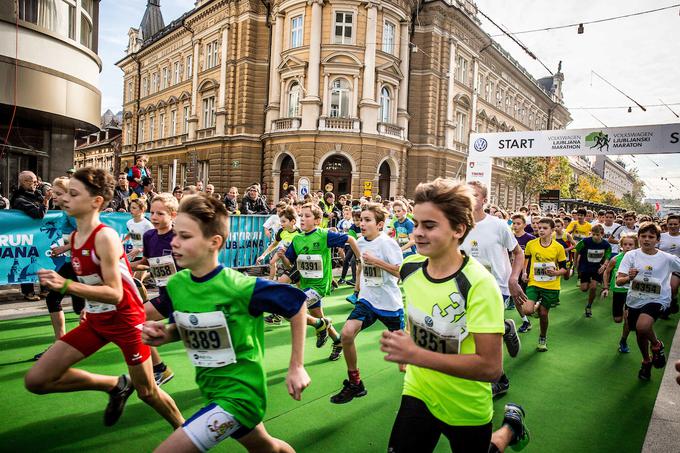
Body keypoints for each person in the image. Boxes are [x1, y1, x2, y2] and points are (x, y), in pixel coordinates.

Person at [141, 194, 309, 452]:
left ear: (214, 242)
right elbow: (185, 327)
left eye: (185, 237)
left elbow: (297, 305)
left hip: (240, 396)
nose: (174, 242)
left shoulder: (239, 287)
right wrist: (163, 335)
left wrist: (296, 366)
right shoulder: (177, 285)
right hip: (211, 389)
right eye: (176, 234)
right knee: (267, 448)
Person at [26, 167, 183, 429]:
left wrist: (67, 285)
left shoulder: (106, 237)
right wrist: (88, 304)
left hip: (126, 321)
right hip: (97, 320)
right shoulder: (76, 236)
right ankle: (115, 385)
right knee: (37, 380)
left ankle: (187, 435)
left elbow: (115, 293)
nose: (63, 199)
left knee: (147, 393)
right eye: (62, 194)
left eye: (73, 194)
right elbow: (94, 282)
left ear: (96, 201)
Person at [379, 178, 529, 453]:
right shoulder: (410, 268)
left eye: (430, 225)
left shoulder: (479, 284)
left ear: (459, 229)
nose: (418, 234)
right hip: (418, 390)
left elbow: (491, 368)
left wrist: (414, 354)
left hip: (465, 404)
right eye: (416, 224)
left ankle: (509, 428)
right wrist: (409, 340)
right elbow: (420, 318)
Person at [331, 203, 404, 404]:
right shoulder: (360, 243)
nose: (362, 223)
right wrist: (357, 291)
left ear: (380, 224)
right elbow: (361, 268)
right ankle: (355, 383)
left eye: (367, 220)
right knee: (346, 334)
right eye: (360, 219)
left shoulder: (387, 244)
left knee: (403, 362)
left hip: (390, 304)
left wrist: (376, 261)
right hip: (368, 301)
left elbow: (400, 272)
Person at [460, 181, 524, 398]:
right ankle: (505, 327)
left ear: (484, 200)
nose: (470, 198)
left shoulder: (498, 225)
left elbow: (518, 253)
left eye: (475, 195)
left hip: (497, 286)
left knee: (486, 336)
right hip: (466, 287)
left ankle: (500, 380)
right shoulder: (457, 225)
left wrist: (514, 278)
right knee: (469, 331)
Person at [284, 203, 362, 361]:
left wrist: (359, 259)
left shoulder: (324, 235)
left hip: (319, 286)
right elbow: (289, 264)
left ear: (318, 220)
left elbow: (351, 239)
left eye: (307, 216)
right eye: (301, 216)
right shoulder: (297, 239)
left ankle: (320, 324)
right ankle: (337, 339)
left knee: (290, 309)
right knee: (317, 315)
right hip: (306, 285)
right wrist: (282, 257)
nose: (302, 219)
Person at [616, 222, 680, 380]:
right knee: (640, 333)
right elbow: (618, 281)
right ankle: (646, 361)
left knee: (643, 326)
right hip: (635, 299)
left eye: (651, 237)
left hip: (658, 299)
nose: (647, 239)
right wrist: (628, 277)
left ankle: (657, 345)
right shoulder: (631, 255)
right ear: (638, 238)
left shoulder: (668, 258)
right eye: (643, 236)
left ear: (658, 240)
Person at [131, 193, 181, 386]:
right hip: (165, 296)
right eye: (152, 212)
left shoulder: (179, 236)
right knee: (136, 322)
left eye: (160, 213)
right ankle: (160, 369)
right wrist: (127, 265)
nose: (154, 217)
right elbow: (147, 261)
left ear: (173, 215)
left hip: (185, 296)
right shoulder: (149, 236)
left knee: (196, 340)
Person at [33, 177, 86, 360]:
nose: (53, 196)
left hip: (79, 263)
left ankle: (70, 345)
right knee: (72, 304)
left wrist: (64, 247)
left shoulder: (72, 213)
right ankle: (63, 344)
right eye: (53, 192)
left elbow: (86, 234)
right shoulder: (65, 211)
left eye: (57, 193)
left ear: (68, 193)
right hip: (72, 262)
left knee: (75, 305)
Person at [521, 218, 568, 352]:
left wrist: (555, 272)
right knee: (527, 310)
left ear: (552, 231)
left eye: (545, 228)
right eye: (539, 227)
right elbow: (526, 260)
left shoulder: (558, 248)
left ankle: (542, 337)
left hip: (551, 285)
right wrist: (524, 272)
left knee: (543, 314)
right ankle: (535, 306)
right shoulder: (531, 244)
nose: (541, 230)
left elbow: (565, 269)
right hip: (534, 282)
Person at [10, 171, 50, 301]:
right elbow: (39, 214)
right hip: (25, 236)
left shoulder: (37, 195)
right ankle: (29, 292)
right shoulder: (19, 199)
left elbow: (51, 209)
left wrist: (47, 199)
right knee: (26, 261)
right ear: (24, 182)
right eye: (32, 181)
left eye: (36, 181)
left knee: (43, 260)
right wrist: (45, 201)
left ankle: (45, 289)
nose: (36, 184)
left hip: (39, 235)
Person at [602, 235, 636, 353]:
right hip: (618, 291)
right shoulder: (615, 259)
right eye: (625, 244)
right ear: (621, 246)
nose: (628, 247)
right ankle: (624, 313)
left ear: (636, 246)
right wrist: (605, 287)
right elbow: (606, 273)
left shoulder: (638, 260)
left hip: (632, 292)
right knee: (617, 319)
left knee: (627, 320)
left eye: (631, 245)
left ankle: (623, 340)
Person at [573, 224, 612, 318]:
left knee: (594, 287)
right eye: (593, 234)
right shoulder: (585, 241)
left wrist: (604, 265)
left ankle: (589, 306)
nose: (595, 236)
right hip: (585, 266)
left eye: (597, 234)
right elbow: (577, 250)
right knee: (584, 289)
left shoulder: (606, 245)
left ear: (602, 234)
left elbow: (607, 256)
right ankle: (586, 282)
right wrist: (575, 263)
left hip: (597, 268)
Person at [658, 214, 680, 315]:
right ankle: (663, 305)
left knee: (673, 286)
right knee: (661, 287)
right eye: (670, 224)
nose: (673, 226)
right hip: (661, 265)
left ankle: (673, 300)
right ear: (667, 224)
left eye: (675, 224)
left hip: (676, 266)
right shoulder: (661, 236)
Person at [123, 198, 154, 265]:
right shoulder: (129, 222)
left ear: (142, 210)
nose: (131, 210)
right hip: (133, 254)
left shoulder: (148, 225)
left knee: (138, 273)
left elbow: (153, 242)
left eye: (134, 208)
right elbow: (131, 232)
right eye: (130, 207)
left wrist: (140, 249)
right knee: (131, 273)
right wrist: (122, 242)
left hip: (145, 255)